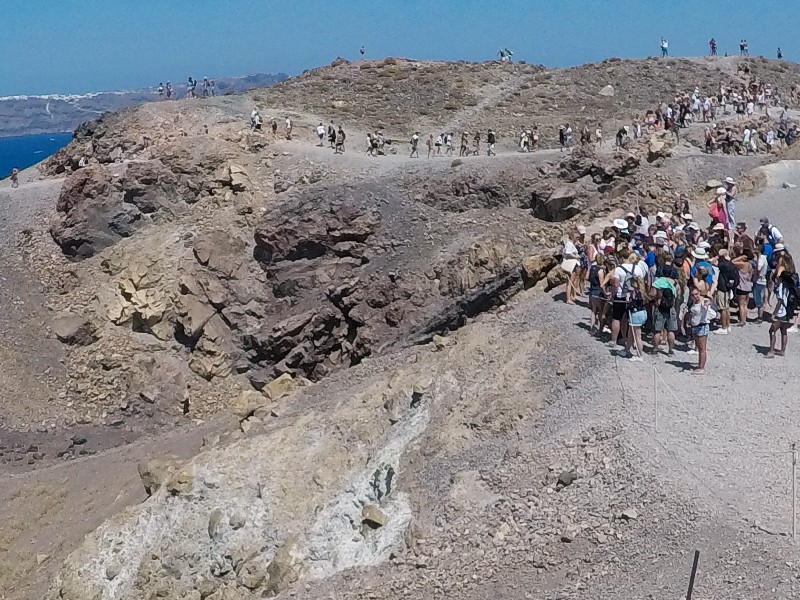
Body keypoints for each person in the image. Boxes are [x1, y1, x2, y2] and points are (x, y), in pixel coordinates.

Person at [767, 271, 799, 357]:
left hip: (781, 312)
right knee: (783, 331)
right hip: (788, 312)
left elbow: (780, 301)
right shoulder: (790, 287)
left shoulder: (782, 286)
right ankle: (782, 350)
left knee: (772, 330)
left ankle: (771, 351)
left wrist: (774, 314)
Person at [689, 287, 717, 374]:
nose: (695, 296)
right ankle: (699, 364)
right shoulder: (693, 302)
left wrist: (708, 302)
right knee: (698, 346)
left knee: (702, 348)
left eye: (697, 294)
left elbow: (708, 302)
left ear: (699, 293)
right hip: (695, 326)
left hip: (702, 326)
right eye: (693, 295)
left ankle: (702, 367)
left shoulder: (703, 301)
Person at [651, 268, 678, 355]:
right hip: (671, 308)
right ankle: (670, 350)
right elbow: (677, 294)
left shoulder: (658, 282)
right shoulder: (674, 282)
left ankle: (655, 349)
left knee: (657, 330)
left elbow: (652, 294)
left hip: (660, 308)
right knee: (671, 330)